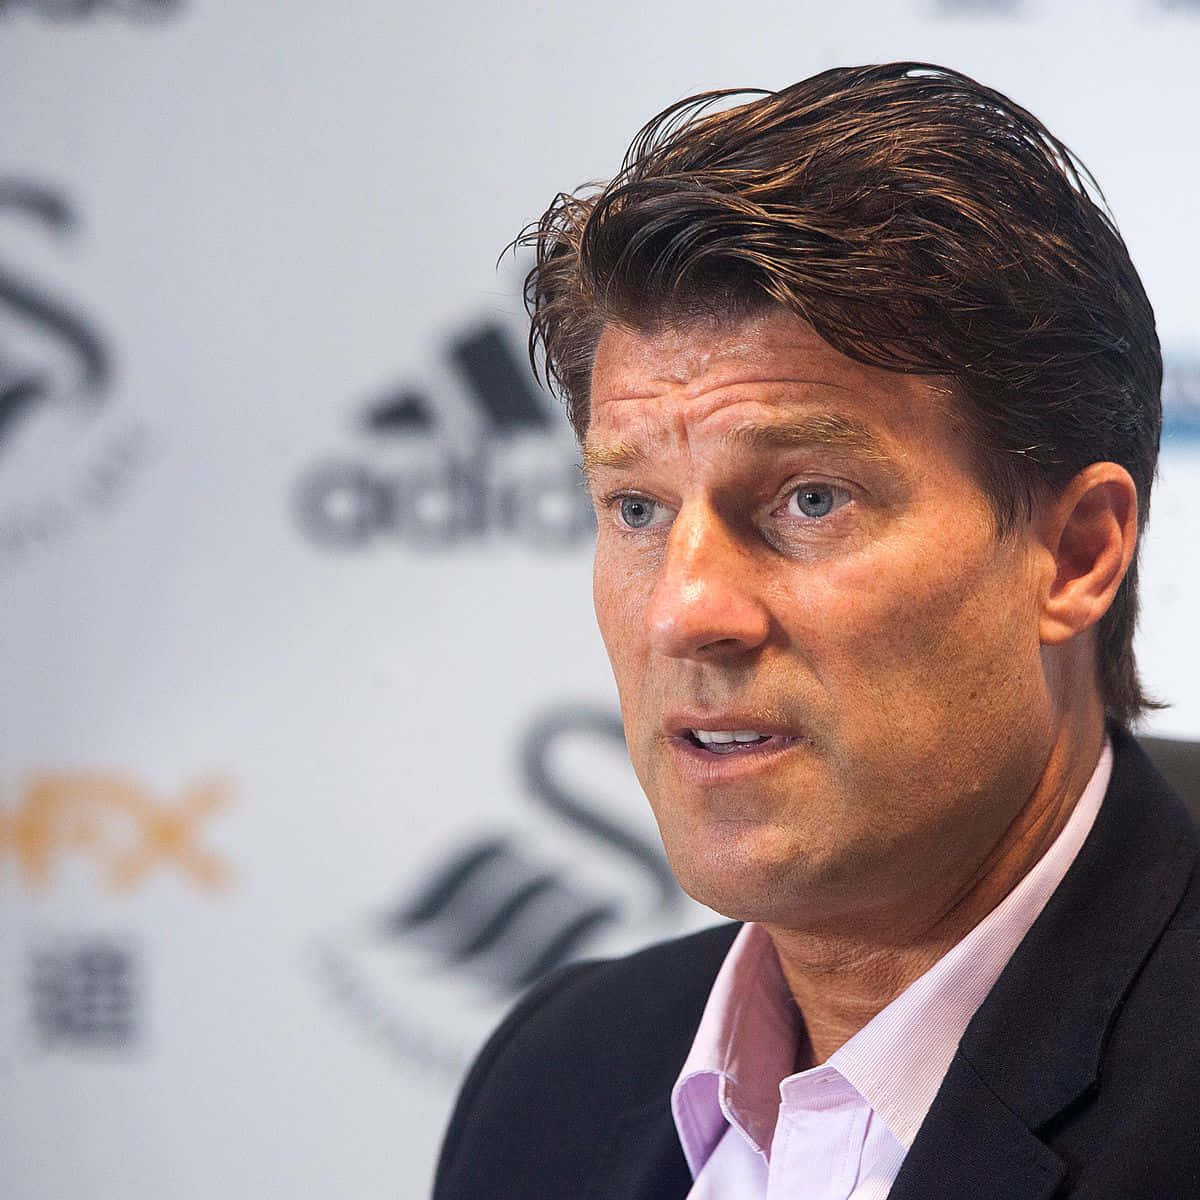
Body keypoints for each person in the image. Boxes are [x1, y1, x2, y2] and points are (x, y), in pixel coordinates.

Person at [433, 63, 1199, 1199]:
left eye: (810, 500)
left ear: (1077, 554)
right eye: (637, 509)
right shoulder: (557, 1075)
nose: (686, 611)